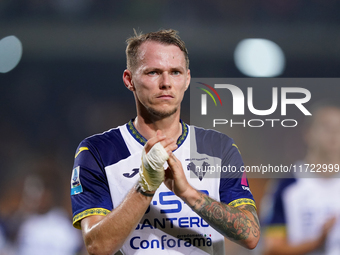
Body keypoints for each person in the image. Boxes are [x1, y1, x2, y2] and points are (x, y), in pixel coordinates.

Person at [70, 29, 260, 255]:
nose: (166, 83)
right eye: (153, 72)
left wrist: (188, 193)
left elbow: (251, 235)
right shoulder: (97, 151)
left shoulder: (219, 148)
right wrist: (146, 186)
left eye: (176, 72)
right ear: (129, 80)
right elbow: (97, 246)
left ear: (187, 79)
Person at [262, 102, 340, 255]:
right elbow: (270, 248)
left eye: (339, 128)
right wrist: (317, 244)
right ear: (308, 133)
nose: (334, 133)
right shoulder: (286, 186)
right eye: (327, 127)